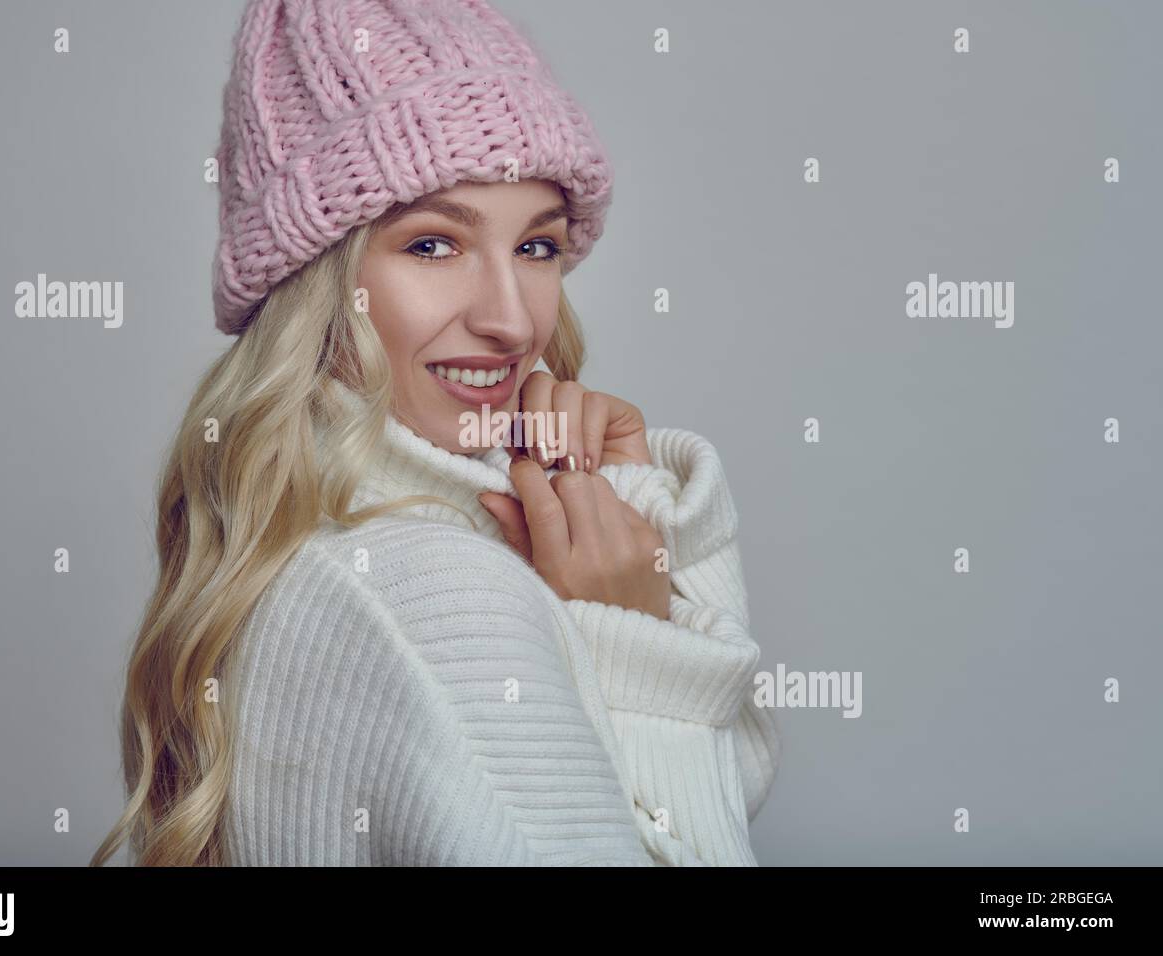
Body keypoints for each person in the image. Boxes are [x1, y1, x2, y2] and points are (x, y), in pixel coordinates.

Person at [91, 0, 779, 867]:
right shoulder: (442, 596)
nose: (509, 320)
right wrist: (638, 641)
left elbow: (718, 787)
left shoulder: (309, 552)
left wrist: (636, 512)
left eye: (537, 248)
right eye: (431, 245)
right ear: (316, 282)